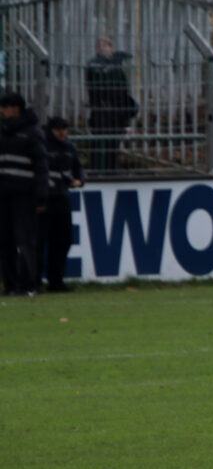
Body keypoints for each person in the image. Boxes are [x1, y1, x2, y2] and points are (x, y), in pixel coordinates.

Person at [0, 92, 49, 296]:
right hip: (2, 195)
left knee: (25, 240)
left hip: (24, 194)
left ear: (15, 108)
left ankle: (30, 283)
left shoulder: (31, 133)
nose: (2, 111)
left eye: (5, 106)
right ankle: (11, 284)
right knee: (4, 241)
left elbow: (41, 167)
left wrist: (41, 196)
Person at [42, 116, 84, 292]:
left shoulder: (70, 147)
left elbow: (78, 170)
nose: (62, 132)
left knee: (64, 240)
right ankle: (33, 281)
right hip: (44, 198)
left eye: (64, 129)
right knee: (40, 241)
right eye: (58, 129)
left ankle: (56, 281)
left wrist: (79, 181)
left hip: (62, 198)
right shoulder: (43, 146)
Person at [84, 36, 138, 172]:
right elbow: (95, 87)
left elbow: (122, 89)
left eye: (105, 45)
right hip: (101, 110)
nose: (102, 48)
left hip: (115, 112)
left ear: (111, 47)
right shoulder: (94, 66)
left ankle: (111, 169)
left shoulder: (117, 66)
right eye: (99, 46)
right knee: (100, 143)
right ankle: (99, 169)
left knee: (113, 143)